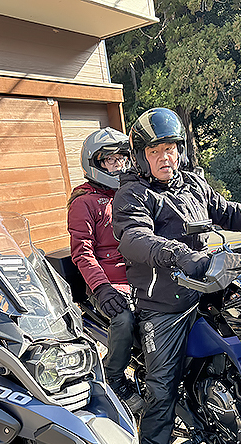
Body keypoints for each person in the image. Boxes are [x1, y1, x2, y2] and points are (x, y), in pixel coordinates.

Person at [112, 108, 241, 444]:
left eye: (171, 148)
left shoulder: (192, 185)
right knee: (161, 391)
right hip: (165, 305)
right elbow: (134, 238)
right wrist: (181, 255)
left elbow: (231, 211)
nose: (165, 156)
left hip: (209, 288)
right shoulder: (132, 195)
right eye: (156, 150)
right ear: (141, 155)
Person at [67, 127, 144, 413]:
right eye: (110, 160)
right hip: (108, 282)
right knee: (123, 318)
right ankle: (114, 377)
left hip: (140, 276)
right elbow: (82, 252)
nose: (118, 165)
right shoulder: (84, 202)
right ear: (95, 163)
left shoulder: (131, 193)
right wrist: (102, 288)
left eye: (121, 159)